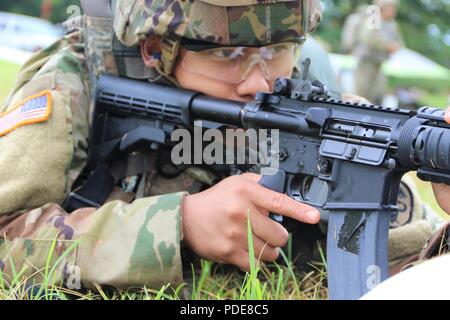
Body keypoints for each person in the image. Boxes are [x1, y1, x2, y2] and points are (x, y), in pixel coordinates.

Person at [0, 0, 449, 294]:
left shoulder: (315, 106)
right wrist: (181, 224)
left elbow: (402, 258)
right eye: (224, 54)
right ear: (158, 50)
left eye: (277, 49)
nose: (257, 80)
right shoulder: (75, 82)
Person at [353, 0, 403, 105]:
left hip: (379, 63)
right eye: (391, 8)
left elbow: (399, 40)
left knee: (378, 92)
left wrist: (396, 46)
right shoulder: (373, 19)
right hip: (366, 61)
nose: (393, 11)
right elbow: (368, 38)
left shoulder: (391, 24)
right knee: (362, 91)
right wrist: (386, 45)